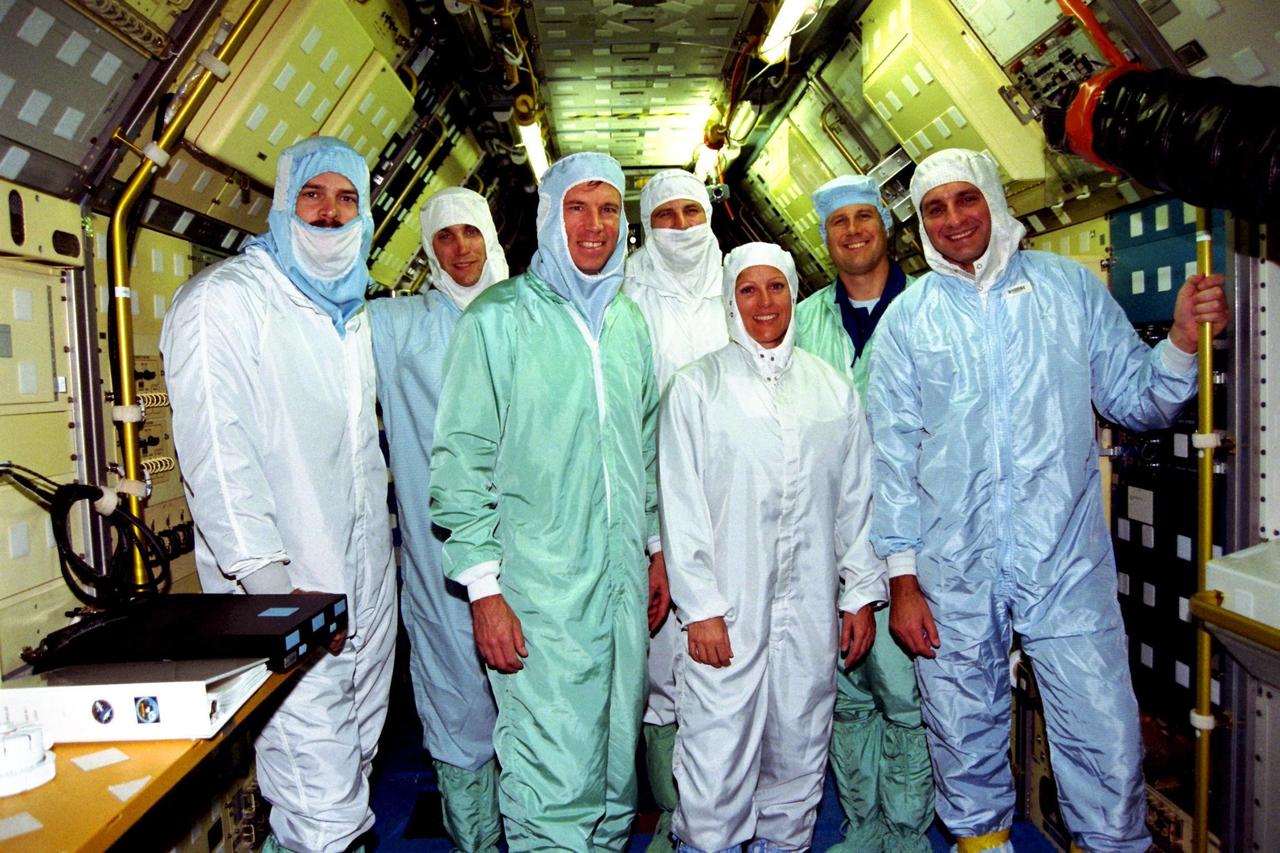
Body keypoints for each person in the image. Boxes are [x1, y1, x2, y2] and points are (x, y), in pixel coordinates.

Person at [868, 147, 1229, 853]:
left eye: (965, 199)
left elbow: (1136, 397)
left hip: (1064, 562)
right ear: (920, 225)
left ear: (994, 199)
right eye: (934, 208)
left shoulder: (1069, 291)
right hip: (952, 572)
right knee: (960, 728)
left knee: (1103, 731)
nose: (953, 219)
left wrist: (1183, 340)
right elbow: (892, 460)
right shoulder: (908, 322)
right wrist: (903, 580)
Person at [160, 136, 396, 853]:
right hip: (288, 596)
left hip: (364, 594)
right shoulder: (224, 304)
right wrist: (278, 601)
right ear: (283, 204)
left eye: (347, 198)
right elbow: (221, 468)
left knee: (349, 770)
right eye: (313, 196)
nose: (330, 214)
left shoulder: (348, 312)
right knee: (323, 813)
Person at [429, 151, 666, 849]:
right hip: (538, 597)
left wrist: (653, 549)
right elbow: (459, 462)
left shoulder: (628, 325)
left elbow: (640, 451)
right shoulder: (498, 321)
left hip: (622, 589)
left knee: (613, 777)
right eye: (577, 208)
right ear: (548, 218)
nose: (594, 226)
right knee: (550, 782)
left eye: (608, 209)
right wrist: (482, 589)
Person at [660, 242, 886, 853]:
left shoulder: (830, 390)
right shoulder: (697, 388)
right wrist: (700, 608)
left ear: (793, 292)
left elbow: (855, 501)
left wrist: (860, 593)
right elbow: (681, 509)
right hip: (727, 612)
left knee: (800, 742)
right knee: (717, 748)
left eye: (776, 287)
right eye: (749, 290)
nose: (765, 303)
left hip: (809, 609)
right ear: (731, 302)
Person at [367, 187, 509, 851]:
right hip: (440, 555)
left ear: (490, 236)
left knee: (542, 707)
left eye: (469, 233)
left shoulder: (527, 315)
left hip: (531, 548)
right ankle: (476, 841)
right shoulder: (398, 325)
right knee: (457, 702)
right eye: (445, 237)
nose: (460, 249)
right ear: (429, 248)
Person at [795, 175, 933, 853]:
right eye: (838, 222)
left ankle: (906, 834)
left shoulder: (930, 306)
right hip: (827, 541)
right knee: (846, 697)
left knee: (906, 697)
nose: (852, 231)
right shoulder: (803, 319)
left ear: (887, 226)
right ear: (825, 239)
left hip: (917, 540)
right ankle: (862, 826)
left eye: (864, 218)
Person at [622, 167, 728, 852]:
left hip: (737, 508)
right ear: (646, 225)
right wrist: (655, 538)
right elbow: (629, 423)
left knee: (731, 663)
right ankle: (670, 812)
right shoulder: (627, 299)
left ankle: (724, 803)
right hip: (657, 515)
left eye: (693, 211)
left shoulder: (740, 285)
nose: (683, 226)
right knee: (665, 672)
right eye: (667, 215)